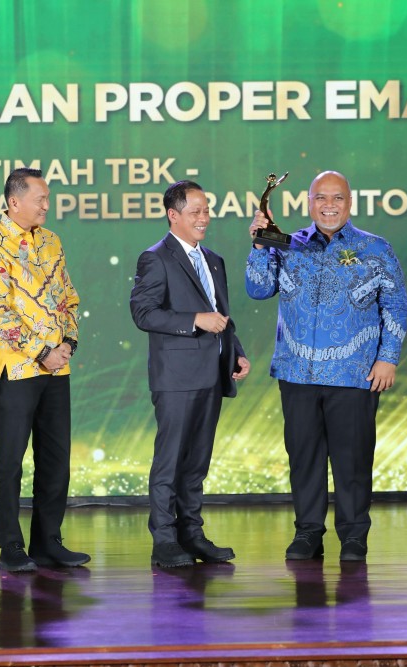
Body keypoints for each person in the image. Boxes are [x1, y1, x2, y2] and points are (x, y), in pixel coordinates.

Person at [246, 170, 407, 562]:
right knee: (304, 459)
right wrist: (259, 245)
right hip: (297, 373)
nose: (329, 205)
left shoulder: (375, 248)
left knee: (353, 460)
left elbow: (396, 303)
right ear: (309, 203)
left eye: (337, 198)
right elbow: (258, 288)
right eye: (321, 197)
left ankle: (353, 536)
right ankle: (308, 533)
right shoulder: (288, 244)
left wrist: (388, 358)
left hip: (354, 373)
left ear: (350, 203)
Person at [0, 167, 89, 572]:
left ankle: (48, 542)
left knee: (56, 458)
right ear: (14, 202)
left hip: (57, 368)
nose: (46, 206)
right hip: (15, 368)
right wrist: (41, 352)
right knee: (11, 460)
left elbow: (69, 298)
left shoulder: (52, 241)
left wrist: (68, 343)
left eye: (47, 199)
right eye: (40, 199)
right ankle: (11, 547)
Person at [130, 180, 251, 568]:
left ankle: (192, 535)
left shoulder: (213, 259)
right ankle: (164, 540)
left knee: (197, 463)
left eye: (206, 211)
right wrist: (194, 320)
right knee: (170, 462)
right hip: (176, 377)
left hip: (212, 374)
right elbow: (143, 313)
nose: (204, 218)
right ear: (173, 215)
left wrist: (236, 352)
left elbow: (221, 313)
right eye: (195, 211)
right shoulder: (156, 258)